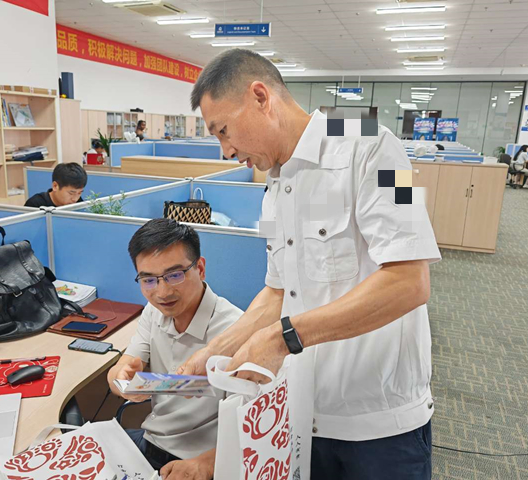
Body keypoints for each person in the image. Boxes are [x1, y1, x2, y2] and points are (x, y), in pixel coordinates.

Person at [180, 49, 441, 479]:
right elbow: (277, 291)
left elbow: (410, 281)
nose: (226, 150)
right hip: (302, 416)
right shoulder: (272, 188)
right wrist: (213, 351)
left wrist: (284, 338)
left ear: (261, 97)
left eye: (223, 130)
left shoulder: (374, 142)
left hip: (380, 429)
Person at [107, 218, 243, 479]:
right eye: (148, 280)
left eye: (174, 275)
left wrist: (206, 464)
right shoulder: (153, 312)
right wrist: (121, 381)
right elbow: (121, 371)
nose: (162, 292)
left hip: (204, 459)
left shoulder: (236, 329)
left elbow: (256, 425)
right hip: (153, 441)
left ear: (200, 269)